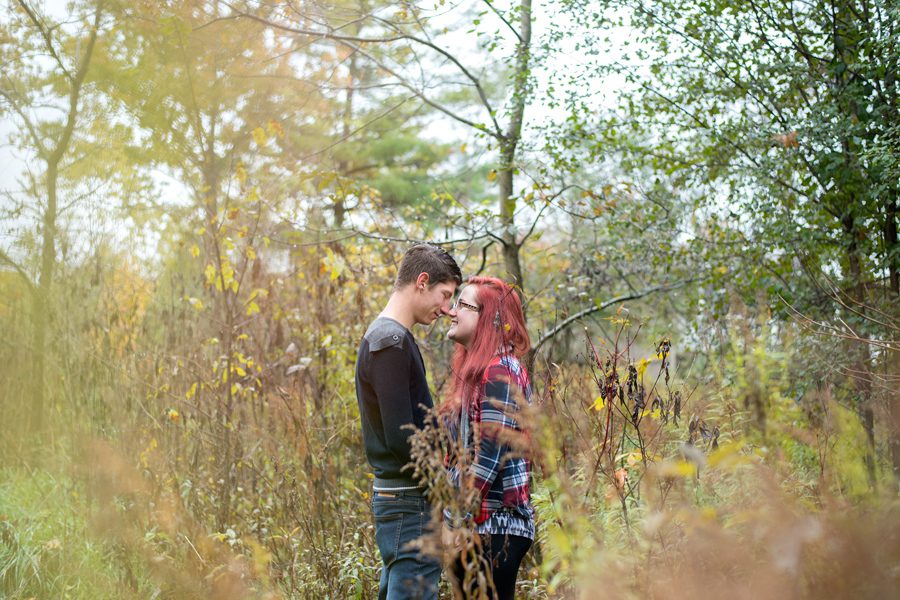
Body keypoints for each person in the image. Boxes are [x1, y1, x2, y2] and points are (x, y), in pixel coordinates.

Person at [355, 243, 462, 600]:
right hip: (408, 500)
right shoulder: (390, 343)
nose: (446, 309)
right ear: (421, 281)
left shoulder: (392, 339)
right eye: (444, 295)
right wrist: (443, 496)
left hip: (403, 498)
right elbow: (403, 438)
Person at [443, 277, 535, 600]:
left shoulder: (500, 370)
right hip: (483, 527)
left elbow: (490, 456)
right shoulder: (482, 371)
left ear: (488, 318)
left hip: (496, 528)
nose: (452, 312)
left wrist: (456, 518)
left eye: (462, 305)